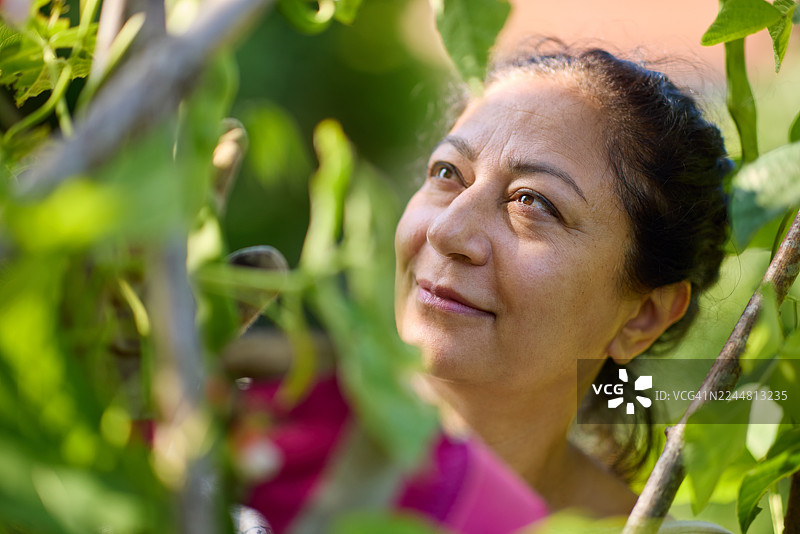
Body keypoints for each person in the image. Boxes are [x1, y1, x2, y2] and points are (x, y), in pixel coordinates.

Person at [394, 40, 731, 518]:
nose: (447, 230)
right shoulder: (257, 449)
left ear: (643, 316)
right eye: (448, 173)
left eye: (532, 202)